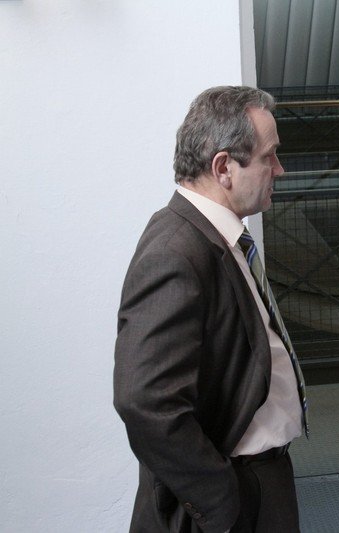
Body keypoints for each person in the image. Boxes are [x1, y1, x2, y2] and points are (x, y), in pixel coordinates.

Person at [114, 86, 307, 533]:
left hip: (261, 480)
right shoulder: (176, 251)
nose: (279, 169)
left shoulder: (217, 235)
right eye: (269, 157)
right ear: (223, 168)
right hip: (232, 495)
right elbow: (144, 401)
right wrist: (221, 500)